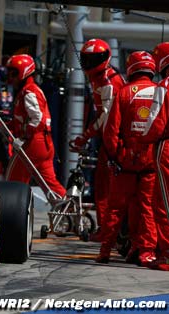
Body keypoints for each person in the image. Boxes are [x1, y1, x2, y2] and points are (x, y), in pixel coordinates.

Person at [97, 51, 158, 265]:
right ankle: (146, 251)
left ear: (131, 68)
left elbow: (110, 131)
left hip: (127, 162)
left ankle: (105, 251)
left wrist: (117, 156)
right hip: (152, 163)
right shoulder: (162, 92)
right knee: (147, 208)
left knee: (115, 208)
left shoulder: (123, 93)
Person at [70, 39, 126, 240]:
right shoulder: (99, 77)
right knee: (103, 186)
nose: (88, 63)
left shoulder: (109, 81)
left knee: (108, 187)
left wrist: (85, 136)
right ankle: (108, 229)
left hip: (117, 140)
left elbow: (107, 117)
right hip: (110, 139)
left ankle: (109, 231)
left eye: (93, 59)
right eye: (86, 58)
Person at [5, 54, 66, 197]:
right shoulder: (31, 90)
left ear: (24, 72)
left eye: (14, 73)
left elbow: (37, 119)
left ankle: (13, 214)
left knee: (14, 182)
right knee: (50, 185)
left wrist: (24, 135)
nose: (10, 78)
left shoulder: (29, 91)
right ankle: (70, 207)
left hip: (34, 143)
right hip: (45, 144)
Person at [140, 42, 169, 271]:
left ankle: (167, 253)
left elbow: (155, 122)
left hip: (166, 147)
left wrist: (141, 141)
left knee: (163, 202)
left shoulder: (164, 86)